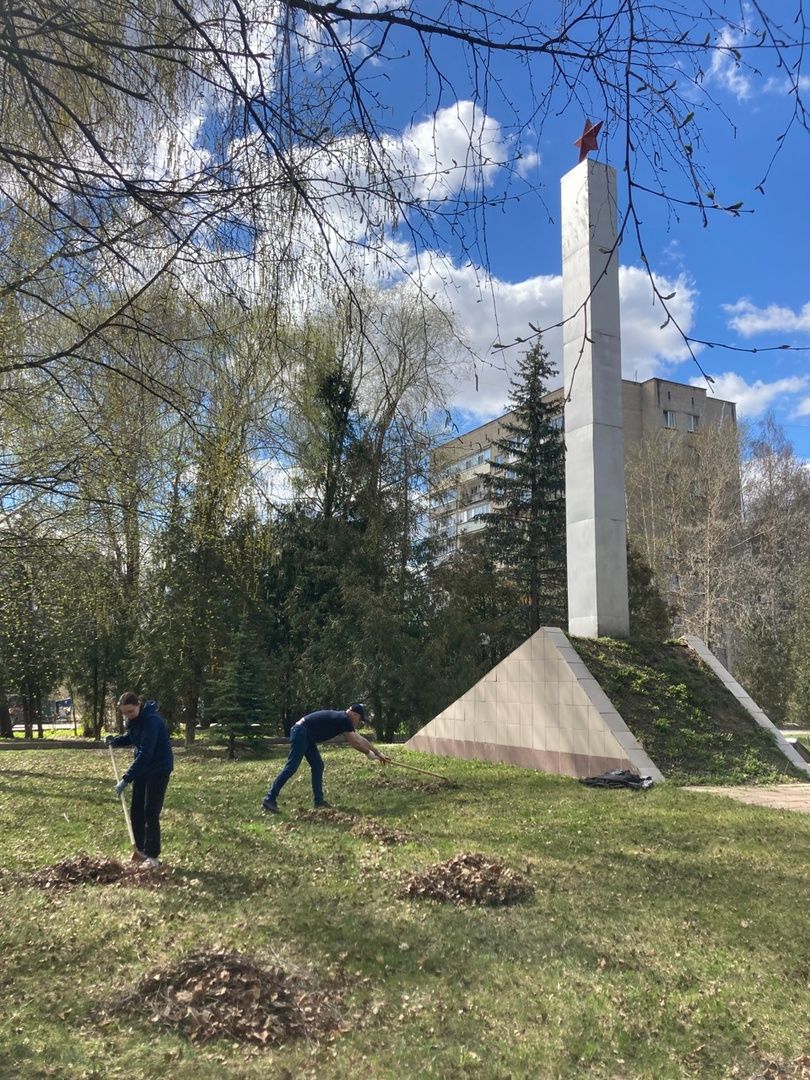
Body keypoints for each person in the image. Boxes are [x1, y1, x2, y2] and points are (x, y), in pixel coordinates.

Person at [262, 703, 387, 814]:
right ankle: (269, 799)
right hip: (301, 732)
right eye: (359, 719)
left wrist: (378, 753)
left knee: (318, 766)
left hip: (307, 735)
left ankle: (319, 802)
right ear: (354, 715)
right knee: (291, 768)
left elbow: (360, 739)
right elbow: (355, 743)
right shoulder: (344, 719)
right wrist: (368, 753)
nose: (358, 722)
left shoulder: (343, 719)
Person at [106, 693, 174, 870]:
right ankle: (141, 850)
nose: (128, 715)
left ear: (139, 705)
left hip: (158, 768)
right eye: (125, 713)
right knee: (136, 810)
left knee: (150, 811)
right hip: (144, 768)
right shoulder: (134, 721)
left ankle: (153, 856)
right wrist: (116, 741)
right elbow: (132, 737)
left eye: (131, 711)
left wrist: (126, 779)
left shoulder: (152, 720)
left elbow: (146, 752)